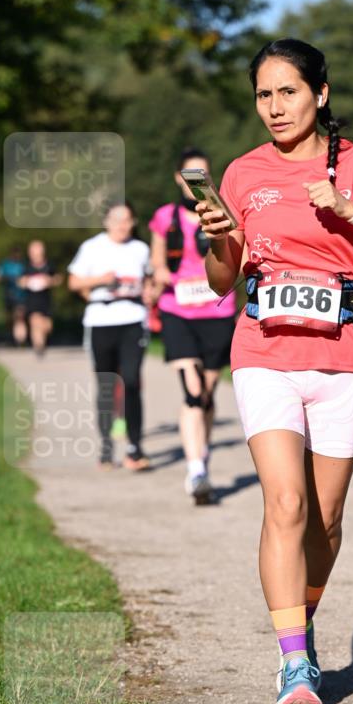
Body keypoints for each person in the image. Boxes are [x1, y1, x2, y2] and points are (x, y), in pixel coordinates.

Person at [200, 38, 353, 704]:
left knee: (324, 522)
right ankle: (294, 663)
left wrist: (351, 211)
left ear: (320, 94)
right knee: (285, 504)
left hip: (344, 359)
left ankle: (301, 622)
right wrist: (218, 237)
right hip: (264, 352)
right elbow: (220, 282)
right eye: (263, 95)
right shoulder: (243, 172)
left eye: (288, 91)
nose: (274, 107)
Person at [149, 146, 237, 504]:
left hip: (217, 312)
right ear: (178, 178)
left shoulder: (222, 213)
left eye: (203, 174)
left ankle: (203, 457)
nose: (196, 181)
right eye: (190, 175)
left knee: (207, 394)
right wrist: (160, 275)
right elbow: (157, 261)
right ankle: (195, 469)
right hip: (178, 312)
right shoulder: (165, 218)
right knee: (191, 389)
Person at [68, 203, 153, 471]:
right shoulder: (92, 247)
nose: (122, 225)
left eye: (127, 220)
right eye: (117, 219)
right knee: (106, 384)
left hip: (133, 320)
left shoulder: (140, 249)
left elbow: (149, 280)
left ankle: (135, 448)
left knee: (131, 381)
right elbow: (73, 282)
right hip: (101, 320)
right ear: (106, 221)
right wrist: (100, 280)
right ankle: (106, 447)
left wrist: (150, 292)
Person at [18, 240, 62, 356]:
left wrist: (49, 281)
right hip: (32, 299)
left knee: (47, 326)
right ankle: (38, 345)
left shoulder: (49, 265)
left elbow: (58, 279)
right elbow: (20, 281)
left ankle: (42, 340)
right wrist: (26, 282)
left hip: (46, 299)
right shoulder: (26, 267)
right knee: (35, 322)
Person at [0, 246, 27, 345]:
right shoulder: (5, 264)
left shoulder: (23, 264)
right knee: (10, 317)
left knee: (20, 316)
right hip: (8, 295)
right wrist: (5, 278)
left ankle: (20, 339)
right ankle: (11, 335)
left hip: (21, 296)